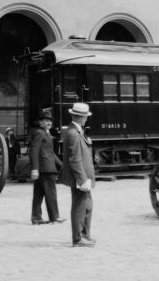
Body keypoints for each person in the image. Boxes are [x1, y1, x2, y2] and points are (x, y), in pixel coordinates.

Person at [59, 103, 96, 247]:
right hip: (80, 178)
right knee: (79, 207)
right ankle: (78, 238)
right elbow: (75, 159)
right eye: (85, 117)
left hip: (84, 177)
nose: (86, 119)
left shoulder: (77, 131)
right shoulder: (73, 133)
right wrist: (82, 179)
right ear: (81, 118)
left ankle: (85, 234)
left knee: (87, 206)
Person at [29, 111, 66, 225]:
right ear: (40, 122)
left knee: (39, 194)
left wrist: (62, 165)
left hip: (44, 167)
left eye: (50, 121)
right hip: (46, 168)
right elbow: (34, 151)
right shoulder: (40, 133)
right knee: (51, 193)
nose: (49, 122)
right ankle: (54, 217)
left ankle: (36, 218)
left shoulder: (46, 134)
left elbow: (51, 153)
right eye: (46, 120)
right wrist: (34, 169)